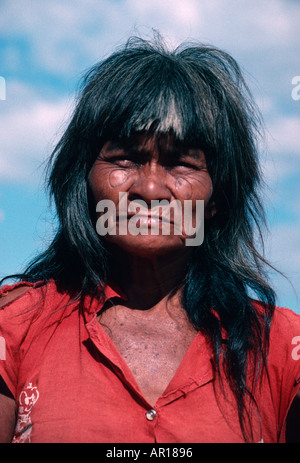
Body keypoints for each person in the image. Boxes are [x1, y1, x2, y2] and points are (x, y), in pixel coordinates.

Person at [0, 35, 299, 444]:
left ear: (217, 199)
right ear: (82, 180)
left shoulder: (281, 347)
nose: (151, 188)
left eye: (181, 162)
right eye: (124, 158)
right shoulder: (15, 326)